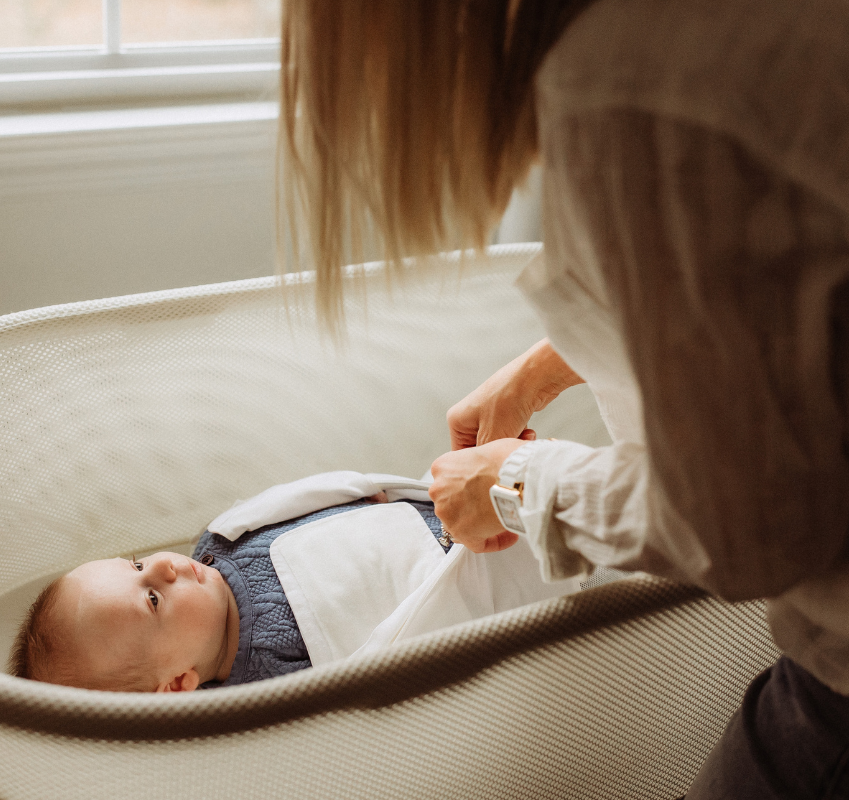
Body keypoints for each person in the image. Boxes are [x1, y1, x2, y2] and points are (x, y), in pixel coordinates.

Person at [279, 0, 849, 796]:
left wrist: (513, 484)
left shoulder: (631, 81)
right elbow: (780, 288)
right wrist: (555, 362)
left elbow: (746, 519)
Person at [8, 472, 577, 691]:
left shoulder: (220, 541)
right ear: (177, 683)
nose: (161, 564)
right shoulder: (269, 689)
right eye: (153, 599)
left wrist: (361, 492)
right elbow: (389, 664)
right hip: (467, 582)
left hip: (441, 510)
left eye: (135, 565)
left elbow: (291, 500)